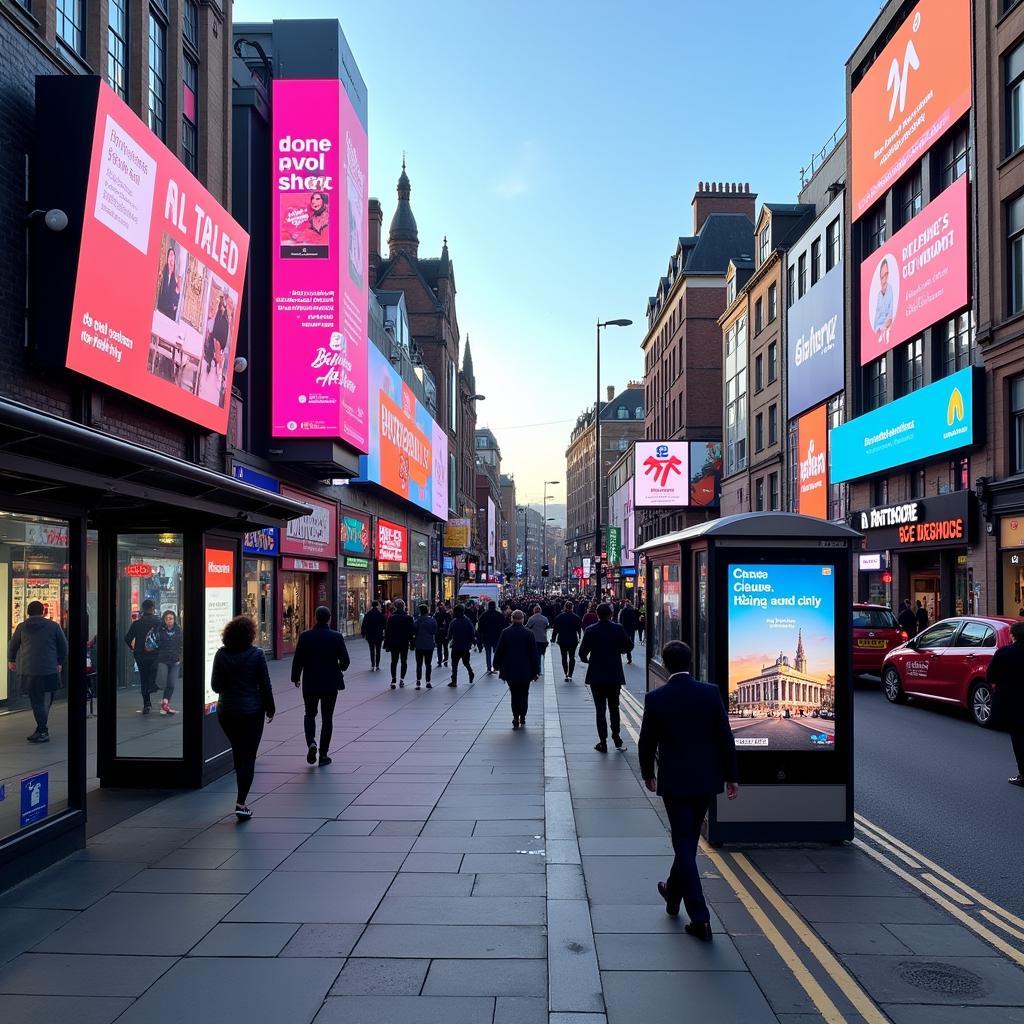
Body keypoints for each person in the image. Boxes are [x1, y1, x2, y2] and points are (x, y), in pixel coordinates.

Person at [638, 640, 738, 940]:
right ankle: (672, 891)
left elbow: (646, 742)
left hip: (675, 782)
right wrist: (732, 776)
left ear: (666, 665)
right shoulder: (710, 693)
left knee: (683, 845)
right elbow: (725, 736)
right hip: (706, 780)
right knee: (688, 841)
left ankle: (700, 918)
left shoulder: (657, 698)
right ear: (691, 663)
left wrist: (648, 773)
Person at [211, 615, 275, 820]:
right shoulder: (256, 654)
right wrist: (270, 708)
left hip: (227, 711)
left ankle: (240, 786)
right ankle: (241, 802)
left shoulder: (221, 655)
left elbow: (215, 686)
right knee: (248, 755)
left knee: (239, 752)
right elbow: (265, 684)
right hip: (251, 711)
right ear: (250, 634)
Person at [291, 605, 349, 767]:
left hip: (310, 682)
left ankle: (311, 743)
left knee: (309, 714)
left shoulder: (305, 636)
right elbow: (346, 660)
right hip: (330, 683)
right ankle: (323, 754)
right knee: (327, 718)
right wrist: (340, 669)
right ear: (329, 618)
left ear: (315, 618)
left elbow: (298, 659)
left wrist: (295, 677)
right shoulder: (336, 637)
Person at [8, 601, 67, 744]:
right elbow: (64, 646)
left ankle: (42, 729)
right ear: (43, 611)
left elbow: (13, 645)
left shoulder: (22, 627)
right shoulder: (53, 626)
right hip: (50, 669)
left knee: (36, 701)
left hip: (30, 671)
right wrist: (59, 662)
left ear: (28, 612)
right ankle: (42, 730)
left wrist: (11, 660)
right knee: (47, 699)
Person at [578, 602, 633, 752]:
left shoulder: (591, 630)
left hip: (596, 674)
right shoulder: (618, 628)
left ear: (597, 614)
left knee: (600, 710)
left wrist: (588, 660)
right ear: (610, 614)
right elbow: (629, 646)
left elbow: (582, 654)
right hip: (614, 673)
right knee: (614, 707)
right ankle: (617, 738)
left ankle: (603, 741)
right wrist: (620, 650)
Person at [986, 620, 1024, 787]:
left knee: (1019, 739)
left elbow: (991, 676)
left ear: (1013, 635)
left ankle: (1023, 774)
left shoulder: (1004, 653)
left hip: (1013, 702)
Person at [493, 610, 541, 729]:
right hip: (526, 670)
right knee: (524, 693)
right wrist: (536, 671)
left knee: (514, 693)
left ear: (512, 618)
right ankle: (523, 716)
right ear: (523, 619)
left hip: (510, 669)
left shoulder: (505, 632)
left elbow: (499, 651)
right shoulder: (529, 633)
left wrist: (496, 665)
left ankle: (515, 716)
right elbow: (534, 654)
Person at [125, 599, 162, 714]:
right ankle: (153, 685)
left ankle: (147, 703)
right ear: (153, 608)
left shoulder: (136, 624)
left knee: (143, 678)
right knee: (154, 673)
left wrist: (133, 648)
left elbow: (127, 639)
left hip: (140, 656)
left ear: (143, 608)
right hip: (155, 655)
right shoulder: (159, 622)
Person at [155, 610, 182, 716]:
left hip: (175, 660)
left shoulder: (178, 630)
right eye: (167, 618)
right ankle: (163, 702)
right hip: (163, 659)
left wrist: (180, 658)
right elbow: (155, 643)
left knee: (171, 683)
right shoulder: (160, 630)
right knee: (162, 682)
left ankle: (165, 702)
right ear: (164, 619)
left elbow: (182, 644)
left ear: (174, 619)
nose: (169, 621)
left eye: (171, 618)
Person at [384, 599, 414, 689]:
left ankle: (393, 679)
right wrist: (412, 643)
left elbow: (388, 632)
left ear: (396, 607)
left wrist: (386, 644)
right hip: (404, 642)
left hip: (394, 642)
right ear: (404, 606)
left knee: (394, 661)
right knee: (403, 661)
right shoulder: (408, 618)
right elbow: (411, 632)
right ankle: (402, 679)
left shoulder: (392, 618)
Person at [551, 600, 583, 682]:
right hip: (573, 639)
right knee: (572, 657)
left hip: (562, 639)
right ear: (572, 607)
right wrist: (579, 637)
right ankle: (570, 674)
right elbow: (579, 628)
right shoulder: (576, 617)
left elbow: (555, 629)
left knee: (564, 656)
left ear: (565, 607)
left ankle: (565, 672)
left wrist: (553, 639)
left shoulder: (559, 617)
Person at [448, 604, 476, 687]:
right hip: (465, 646)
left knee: (454, 664)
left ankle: (454, 681)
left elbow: (449, 633)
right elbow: (472, 632)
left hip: (456, 645)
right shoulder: (468, 621)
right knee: (466, 662)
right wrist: (471, 641)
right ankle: (470, 672)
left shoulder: (454, 621)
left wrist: (449, 639)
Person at [413, 603, 437, 689]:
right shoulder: (432, 621)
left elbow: (414, 631)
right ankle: (428, 681)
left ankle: (418, 681)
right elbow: (434, 631)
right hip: (429, 644)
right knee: (428, 664)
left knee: (419, 664)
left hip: (419, 644)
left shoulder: (417, 621)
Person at [477, 600, 505, 674]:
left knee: (488, 652)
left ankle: (489, 668)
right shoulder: (499, 615)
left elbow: (480, 627)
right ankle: (496, 666)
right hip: (497, 637)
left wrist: (480, 636)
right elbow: (503, 626)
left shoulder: (484, 615)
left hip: (486, 637)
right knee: (496, 652)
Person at [872, 257, 895, 341]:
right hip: (879, 333)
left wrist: (884, 327)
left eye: (886, 275)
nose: (885, 279)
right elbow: (876, 319)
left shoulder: (891, 289)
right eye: (882, 277)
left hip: (887, 329)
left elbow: (891, 314)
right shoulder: (878, 295)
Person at [156, 246, 182, 319]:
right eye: (171, 255)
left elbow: (178, 292)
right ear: (167, 258)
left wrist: (175, 306)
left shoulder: (176, 277)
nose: (172, 257)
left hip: (170, 312)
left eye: (173, 255)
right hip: (161, 308)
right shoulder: (163, 272)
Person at [361, 600, 385, 670]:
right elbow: (384, 625)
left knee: (372, 650)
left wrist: (363, 633)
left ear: (372, 605)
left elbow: (364, 624)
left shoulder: (368, 614)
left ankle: (372, 665)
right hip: (378, 635)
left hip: (370, 635)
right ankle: (377, 665)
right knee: (378, 651)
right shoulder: (380, 615)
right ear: (377, 605)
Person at [618, 599, 638, 664]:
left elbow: (620, 620)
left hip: (625, 628)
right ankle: (629, 653)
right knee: (631, 641)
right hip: (632, 628)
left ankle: (628, 656)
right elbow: (636, 619)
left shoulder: (624, 610)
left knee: (626, 642)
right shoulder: (633, 610)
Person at [435, 602, 452, 666]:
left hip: (439, 633)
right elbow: (450, 624)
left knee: (439, 648)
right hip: (445, 633)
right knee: (445, 647)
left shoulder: (436, 615)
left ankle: (439, 660)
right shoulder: (447, 615)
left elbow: (435, 624)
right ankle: (446, 659)